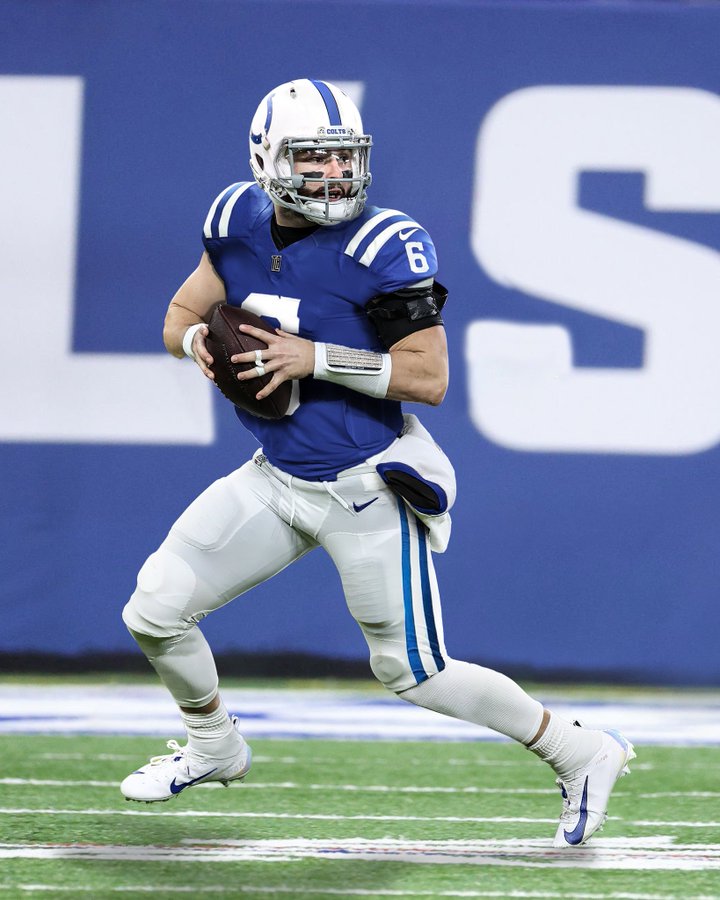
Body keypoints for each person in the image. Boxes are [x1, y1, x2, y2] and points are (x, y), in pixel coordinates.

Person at [120, 78, 634, 847]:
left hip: (366, 487)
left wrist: (314, 358)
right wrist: (199, 343)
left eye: (344, 156)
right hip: (276, 476)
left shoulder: (384, 243)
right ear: (265, 160)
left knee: (414, 671)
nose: (333, 174)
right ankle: (214, 744)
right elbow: (180, 316)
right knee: (154, 612)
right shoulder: (233, 219)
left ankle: (581, 750)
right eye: (312, 157)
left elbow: (429, 379)